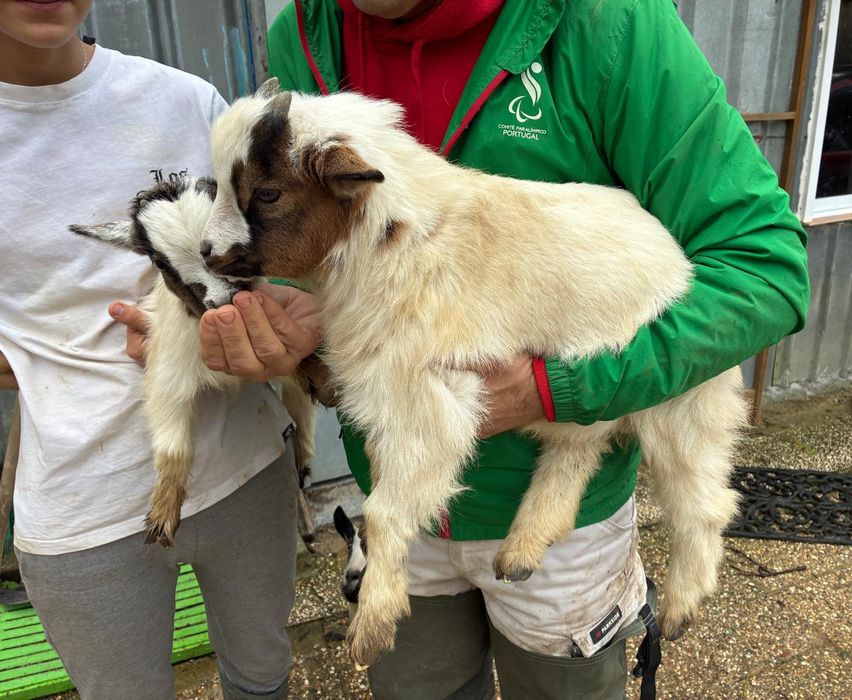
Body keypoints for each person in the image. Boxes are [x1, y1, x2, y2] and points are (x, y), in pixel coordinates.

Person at [195, 0, 811, 697]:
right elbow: (334, 240)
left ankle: (692, 553)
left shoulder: (609, 23)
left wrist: (556, 392)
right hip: (395, 476)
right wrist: (299, 328)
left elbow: (765, 272)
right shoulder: (307, 32)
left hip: (564, 528)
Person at [0, 1, 320, 698]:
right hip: (84, 500)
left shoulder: (184, 98)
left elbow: (280, 256)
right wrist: (38, 350)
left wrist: (268, 327)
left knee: (263, 676)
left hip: (245, 466)